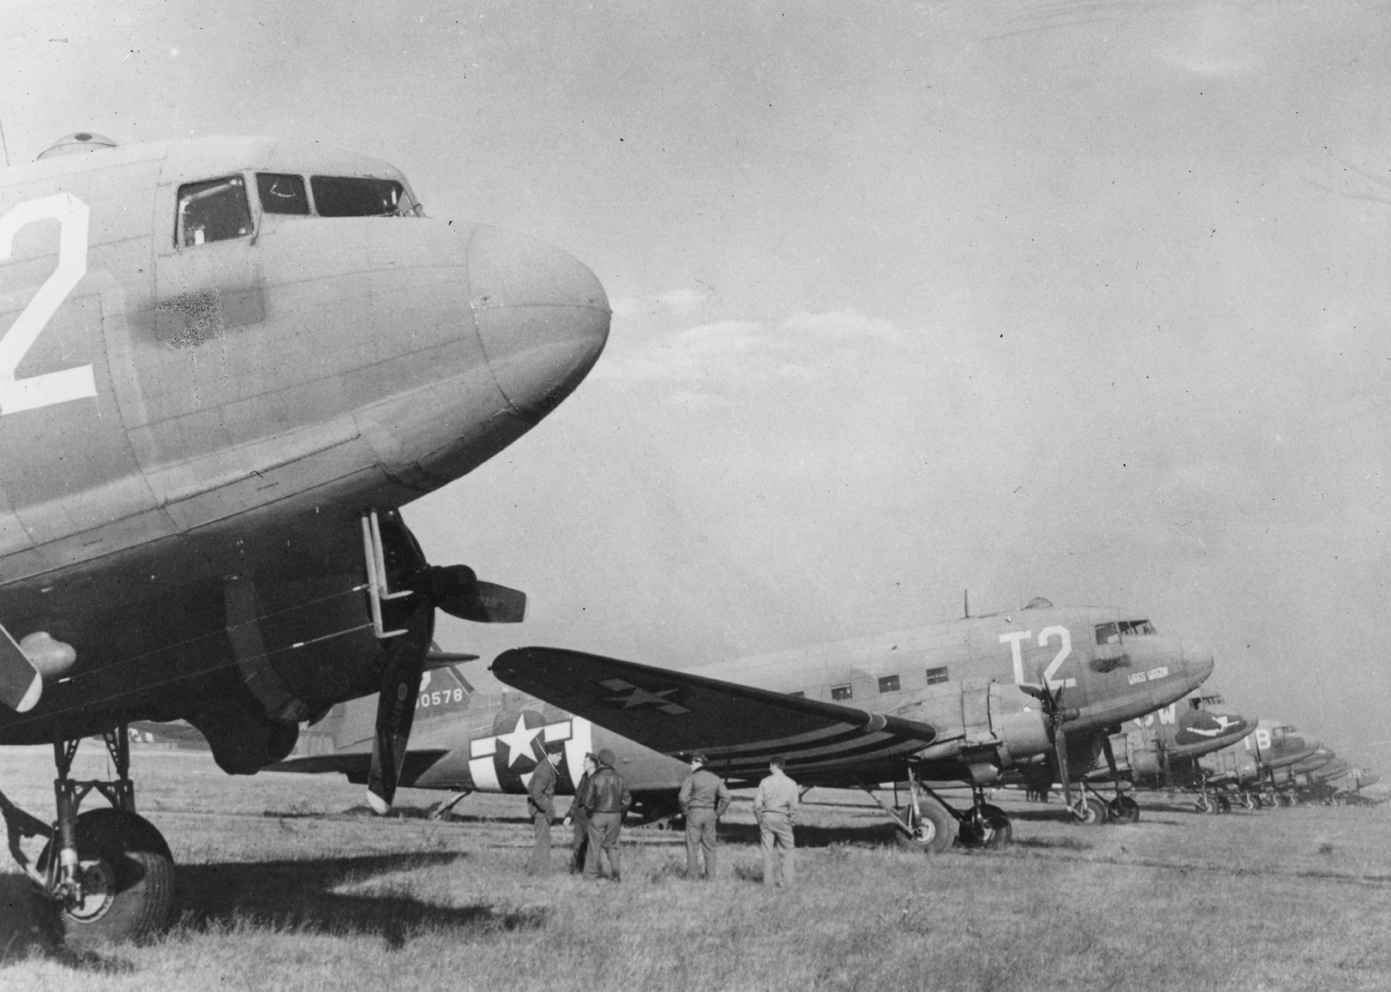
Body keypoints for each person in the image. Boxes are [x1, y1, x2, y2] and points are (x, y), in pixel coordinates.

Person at [678, 753, 731, 880]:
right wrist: (718, 813)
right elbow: (727, 798)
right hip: (710, 813)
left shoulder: (691, 778)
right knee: (710, 846)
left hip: (694, 812)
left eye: (692, 763)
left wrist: (686, 812)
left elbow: (682, 798)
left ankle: (692, 877)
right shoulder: (716, 778)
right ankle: (710, 877)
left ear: (699, 763)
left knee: (692, 846)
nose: (690, 766)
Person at [583, 748, 632, 882]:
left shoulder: (594, 778)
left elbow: (587, 802)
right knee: (612, 845)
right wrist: (620, 812)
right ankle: (616, 874)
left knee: (594, 846)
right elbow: (627, 800)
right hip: (615, 816)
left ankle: (590, 876)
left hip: (598, 815)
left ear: (600, 761)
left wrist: (591, 813)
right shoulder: (620, 778)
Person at [753, 755, 798, 887]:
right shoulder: (792, 783)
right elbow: (794, 806)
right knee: (787, 851)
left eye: (770, 765)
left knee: (767, 851)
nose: (769, 768)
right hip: (783, 817)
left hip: (767, 817)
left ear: (774, 766)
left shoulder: (764, 781)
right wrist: (792, 821)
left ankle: (768, 883)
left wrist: (759, 818)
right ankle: (787, 882)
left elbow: (757, 804)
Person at [525, 748, 559, 875]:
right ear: (550, 754)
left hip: (539, 809)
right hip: (542, 811)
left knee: (541, 840)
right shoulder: (545, 770)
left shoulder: (544, 767)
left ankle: (533, 871)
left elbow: (530, 786)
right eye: (558, 755)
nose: (560, 758)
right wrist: (548, 808)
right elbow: (536, 793)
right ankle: (541, 873)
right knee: (543, 842)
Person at [566, 752, 598, 874]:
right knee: (577, 845)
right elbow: (577, 797)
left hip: (592, 816)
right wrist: (570, 815)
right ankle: (575, 869)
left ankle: (590, 871)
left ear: (592, 764)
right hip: (580, 816)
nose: (582, 764)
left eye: (585, 762)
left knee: (592, 845)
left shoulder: (599, 778)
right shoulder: (584, 777)